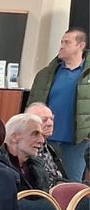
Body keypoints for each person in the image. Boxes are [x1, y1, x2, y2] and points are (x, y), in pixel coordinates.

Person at [27, 27, 88, 181]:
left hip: (77, 141)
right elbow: (32, 104)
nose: (61, 46)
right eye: (61, 42)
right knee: (39, 179)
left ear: (80, 46)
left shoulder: (86, 75)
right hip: (45, 137)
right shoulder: (45, 74)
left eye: (67, 42)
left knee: (72, 183)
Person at [0, 112, 50, 192]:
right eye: (35, 134)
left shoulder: (39, 166)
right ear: (14, 137)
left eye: (42, 135)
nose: (41, 140)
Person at [25, 102, 73, 187]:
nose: (50, 123)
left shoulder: (53, 149)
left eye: (52, 119)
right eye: (44, 120)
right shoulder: (25, 151)